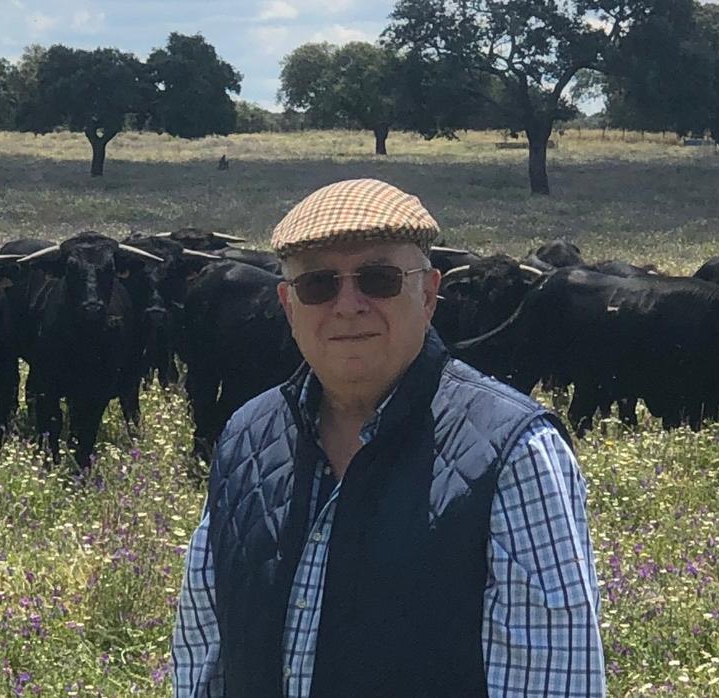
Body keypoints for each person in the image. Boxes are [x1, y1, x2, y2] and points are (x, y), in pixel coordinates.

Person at [171, 178, 605, 697]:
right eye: (319, 285)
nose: (348, 305)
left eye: (379, 279)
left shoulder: (514, 452)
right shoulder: (245, 438)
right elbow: (203, 653)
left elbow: (553, 683)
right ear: (289, 306)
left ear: (429, 294)